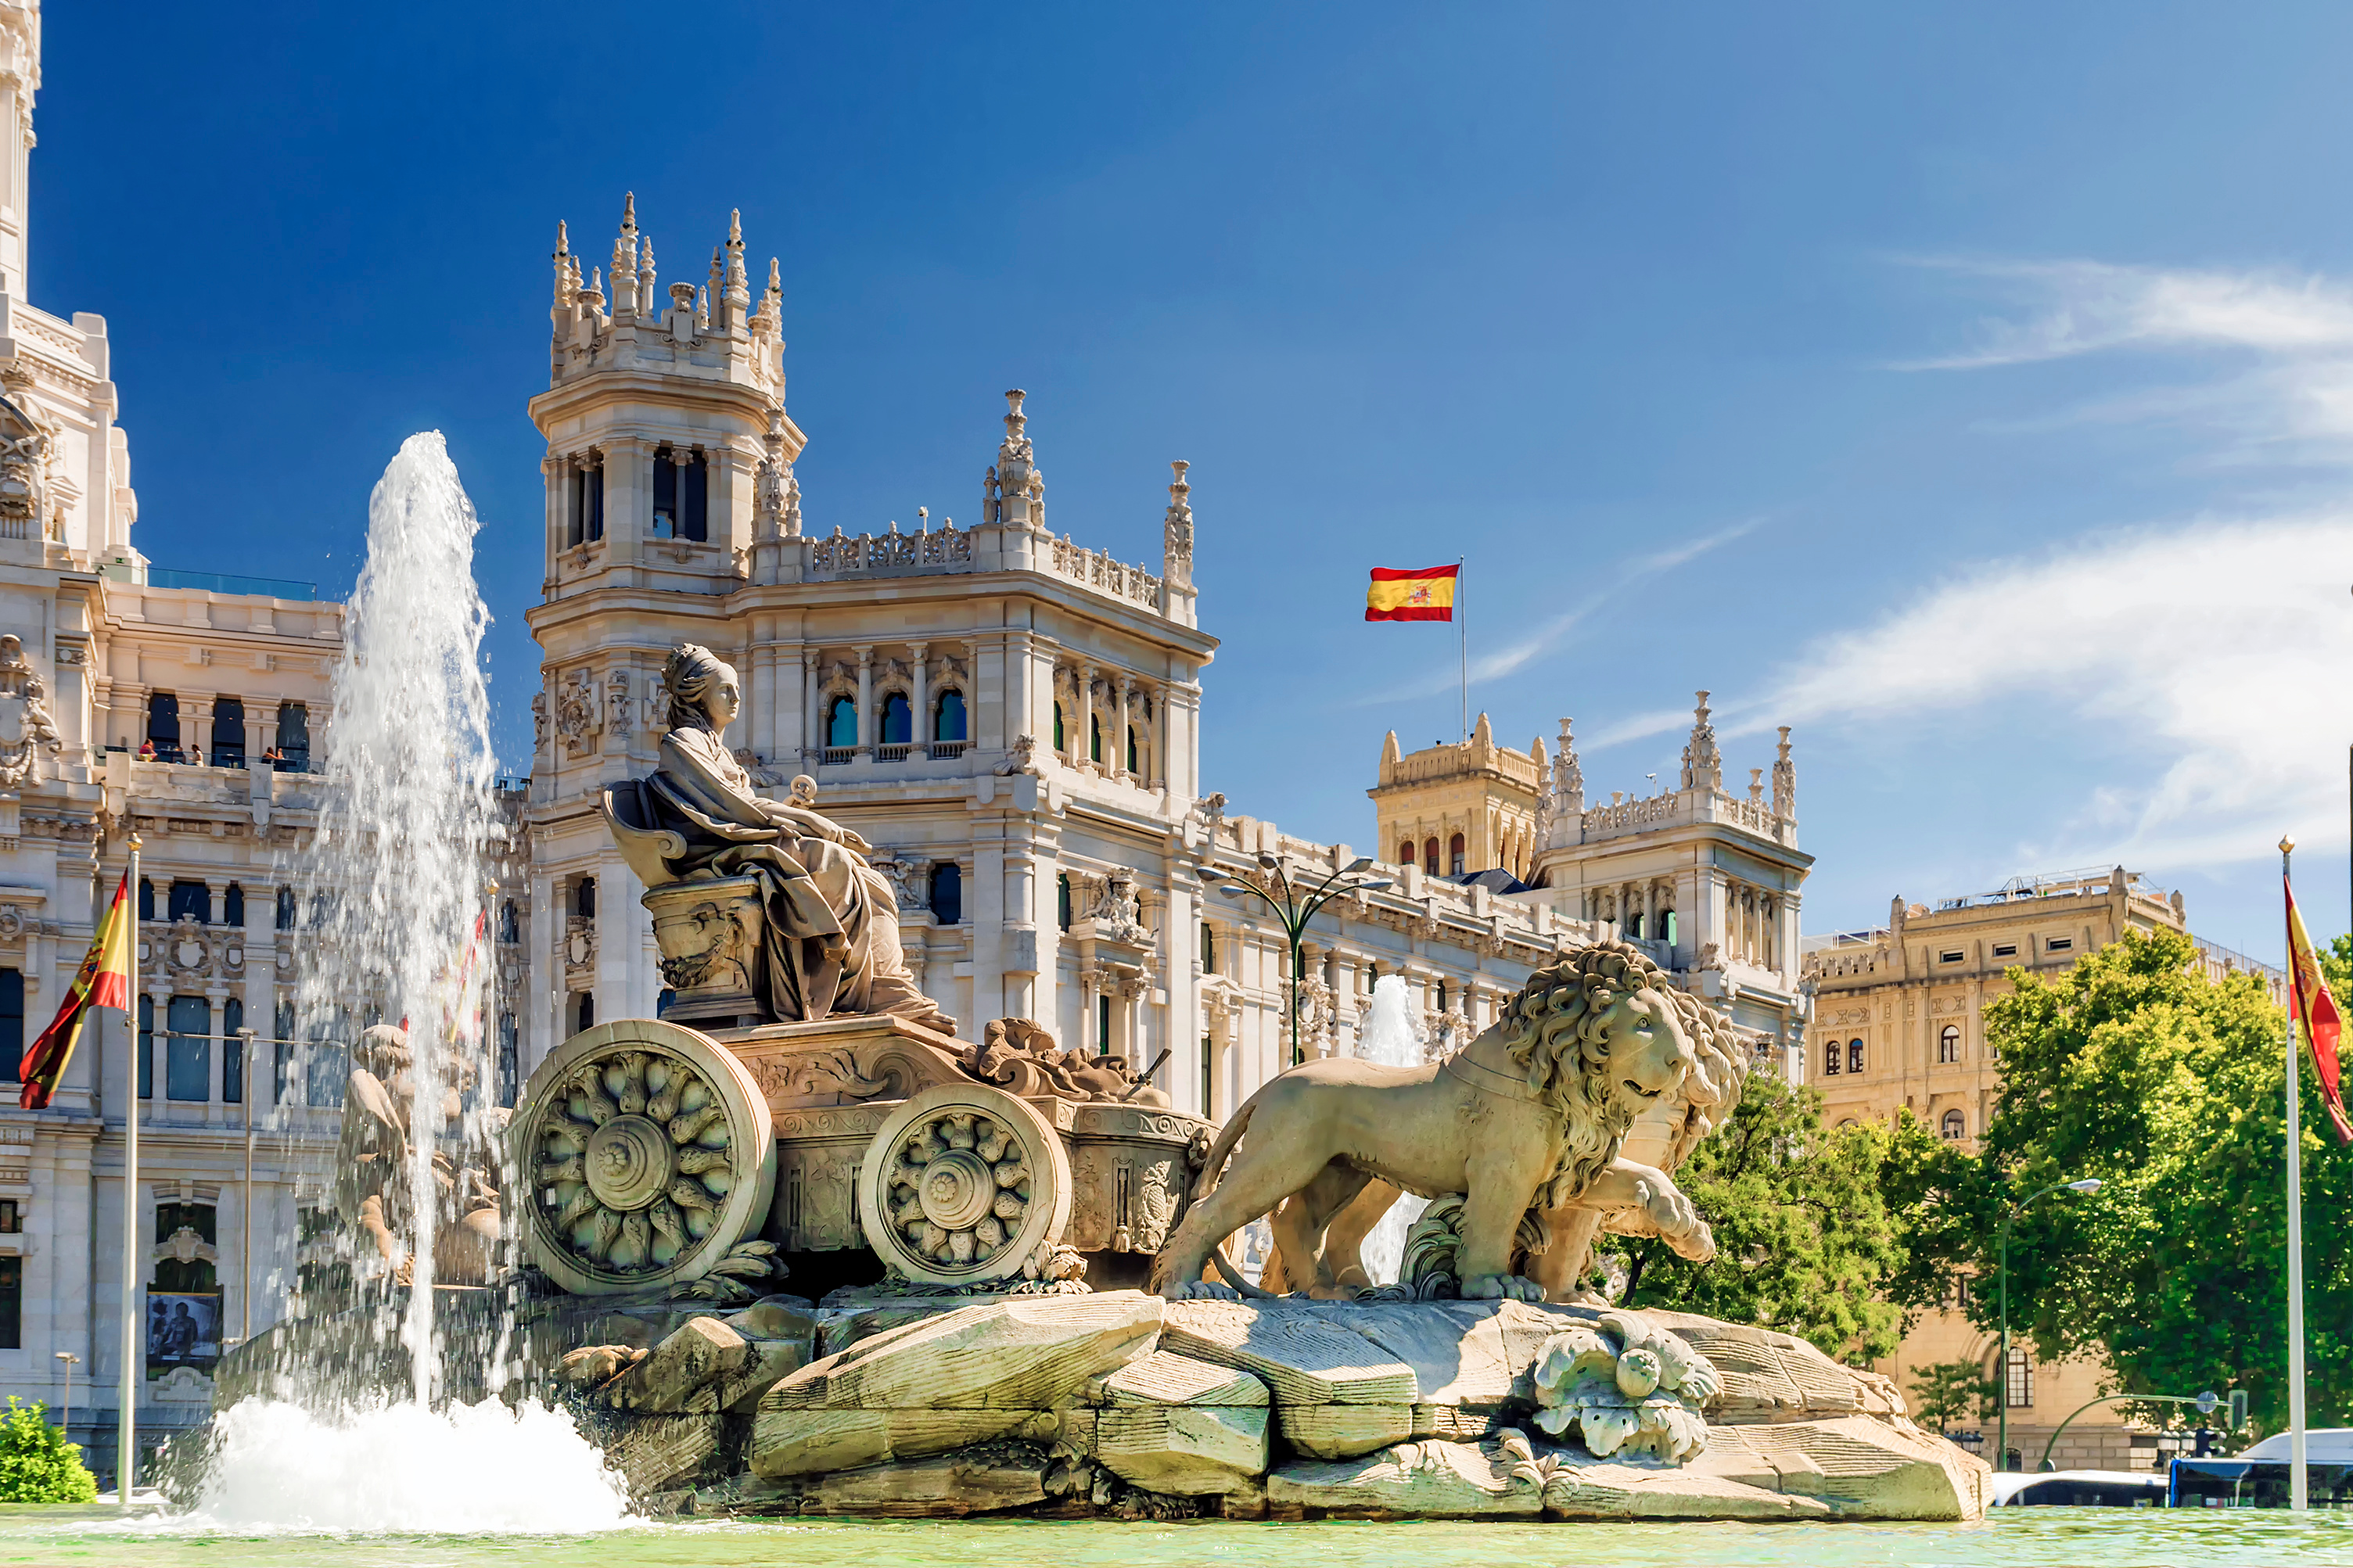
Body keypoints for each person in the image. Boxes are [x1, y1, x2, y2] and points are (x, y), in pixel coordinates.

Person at [604, 642, 954, 1033]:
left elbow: (741, 806)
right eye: (725, 690)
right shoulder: (683, 743)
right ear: (697, 694)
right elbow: (730, 808)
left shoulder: (716, 749)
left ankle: (884, 986)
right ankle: (854, 989)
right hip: (715, 856)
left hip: (740, 843)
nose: (735, 698)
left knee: (871, 880)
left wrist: (794, 817)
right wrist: (809, 823)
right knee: (832, 860)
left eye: (737, 689)